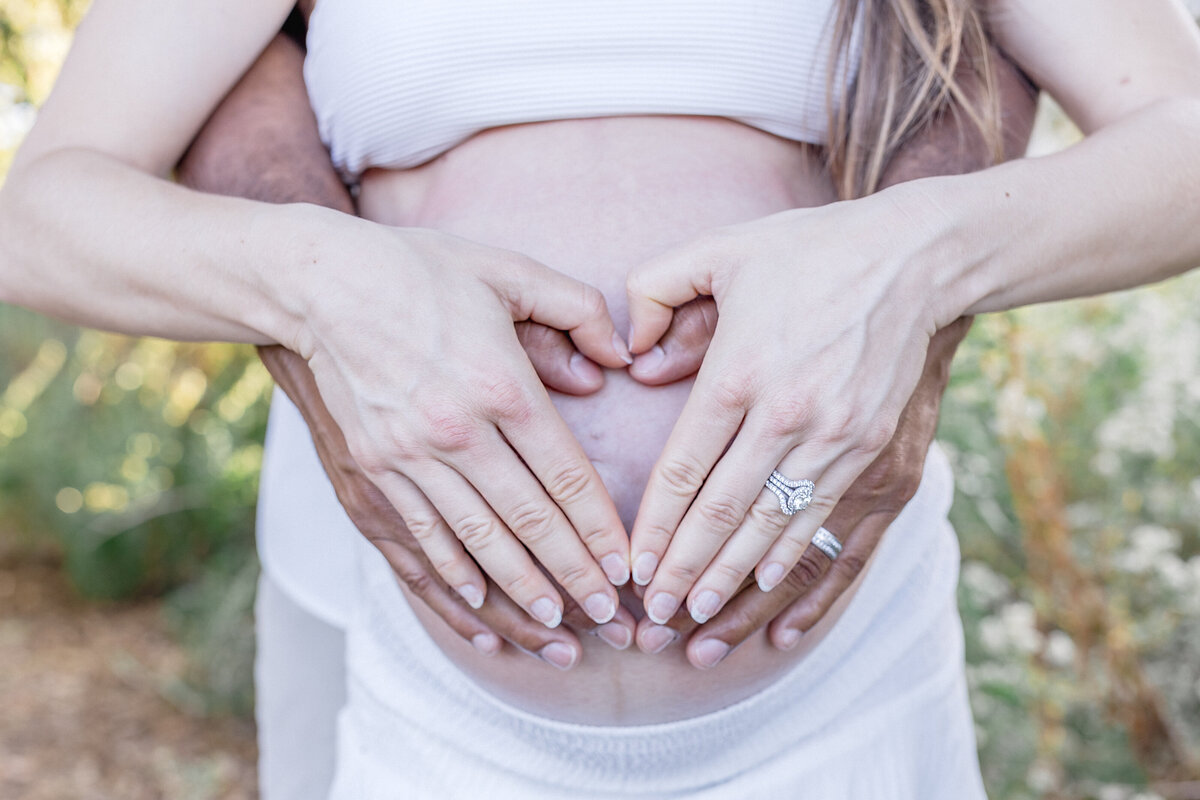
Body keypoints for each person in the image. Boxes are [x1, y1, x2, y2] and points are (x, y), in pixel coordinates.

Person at [2, 0, 1199, 797]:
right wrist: (323, 283)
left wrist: (918, 255)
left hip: (846, 679)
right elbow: (44, 209)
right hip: (438, 689)